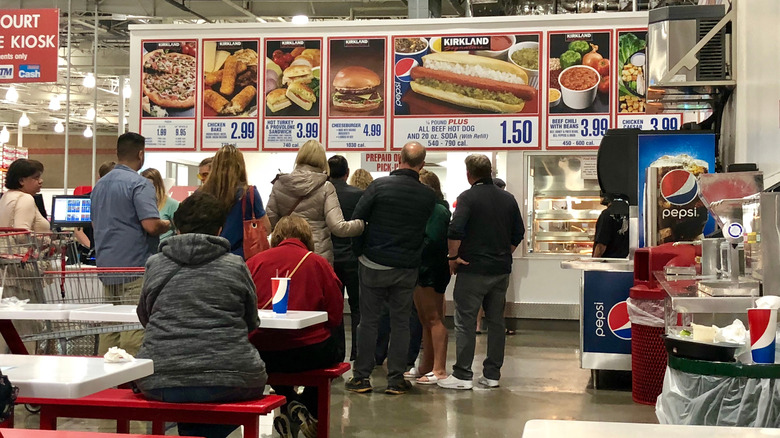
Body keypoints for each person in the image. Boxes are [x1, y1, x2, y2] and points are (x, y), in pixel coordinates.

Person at [135, 191, 266, 438]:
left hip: (160, 378)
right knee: (218, 396)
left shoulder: (155, 264)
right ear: (219, 230)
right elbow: (252, 321)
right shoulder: (235, 266)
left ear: (177, 229)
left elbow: (145, 316)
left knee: (191, 402)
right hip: (231, 377)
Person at [345, 141, 436, 396]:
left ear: (399, 158)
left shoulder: (378, 186)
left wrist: (359, 252)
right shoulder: (427, 195)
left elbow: (357, 221)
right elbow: (430, 231)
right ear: (422, 164)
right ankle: (396, 379)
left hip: (372, 264)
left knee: (368, 322)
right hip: (406, 267)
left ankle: (361, 377)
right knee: (401, 323)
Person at [247, 215, 343, 438]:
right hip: (308, 353)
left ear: (276, 237)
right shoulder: (318, 263)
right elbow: (335, 315)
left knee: (273, 354)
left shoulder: (254, 262)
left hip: (262, 354)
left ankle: (289, 400)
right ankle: (305, 405)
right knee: (333, 347)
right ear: (307, 238)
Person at [438, 154, 524, 390]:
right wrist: (503, 252)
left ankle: (463, 375)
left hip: (472, 269)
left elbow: (455, 230)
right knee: (496, 322)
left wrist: (453, 258)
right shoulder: (508, 199)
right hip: (500, 270)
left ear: (469, 174)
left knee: (465, 321)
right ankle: (492, 374)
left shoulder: (467, 197)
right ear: (490, 172)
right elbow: (518, 232)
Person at [91, 132, 171, 356]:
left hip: (106, 267)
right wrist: (167, 223)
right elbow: (151, 226)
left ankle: (106, 374)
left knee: (110, 328)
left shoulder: (100, 185)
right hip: (134, 267)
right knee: (133, 329)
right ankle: (131, 375)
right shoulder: (139, 184)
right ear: (141, 154)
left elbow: (95, 223)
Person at [266, 140, 363, 265]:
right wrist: (362, 224)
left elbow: (269, 223)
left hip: (285, 252)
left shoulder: (280, 184)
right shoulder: (326, 187)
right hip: (317, 254)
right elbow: (338, 227)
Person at [413, 169, 452, 385]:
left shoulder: (437, 210)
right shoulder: (430, 209)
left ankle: (439, 369)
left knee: (434, 318)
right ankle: (426, 365)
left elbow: (433, 240)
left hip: (431, 268)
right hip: (422, 267)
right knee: (425, 319)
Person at [200, 145, 271, 259]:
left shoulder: (202, 194)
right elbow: (266, 228)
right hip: (242, 258)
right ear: (240, 167)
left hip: (209, 256)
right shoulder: (249, 194)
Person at [327, 155, 364, 361]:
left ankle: (337, 353)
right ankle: (357, 353)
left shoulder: (323, 193)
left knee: (334, 308)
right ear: (347, 173)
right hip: (353, 258)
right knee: (358, 307)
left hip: (330, 258)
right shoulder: (359, 195)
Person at [0, 159, 49, 232]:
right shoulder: (25, 198)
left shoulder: (6, 195)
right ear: (21, 181)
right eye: (36, 177)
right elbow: (22, 234)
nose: (41, 181)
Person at [141, 168, 179, 241]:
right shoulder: (140, 204)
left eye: (150, 186)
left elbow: (180, 231)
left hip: (165, 246)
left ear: (158, 185)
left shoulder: (172, 204)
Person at [592, 193, 629, 258]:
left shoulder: (607, 214)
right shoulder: (629, 213)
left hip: (608, 261)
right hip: (624, 260)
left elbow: (601, 245)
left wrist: (595, 261)